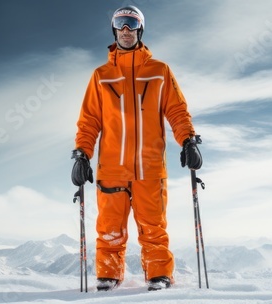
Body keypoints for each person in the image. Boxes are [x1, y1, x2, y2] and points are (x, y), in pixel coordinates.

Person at [70, 5, 202, 292]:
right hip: (112, 168)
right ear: (114, 29)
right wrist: (82, 153)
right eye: (121, 23)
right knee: (109, 229)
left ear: (140, 29)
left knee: (153, 227)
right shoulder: (101, 75)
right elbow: (89, 120)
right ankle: (108, 275)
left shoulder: (159, 71)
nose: (126, 29)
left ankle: (159, 275)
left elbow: (177, 111)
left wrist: (188, 139)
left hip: (150, 166)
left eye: (132, 23)